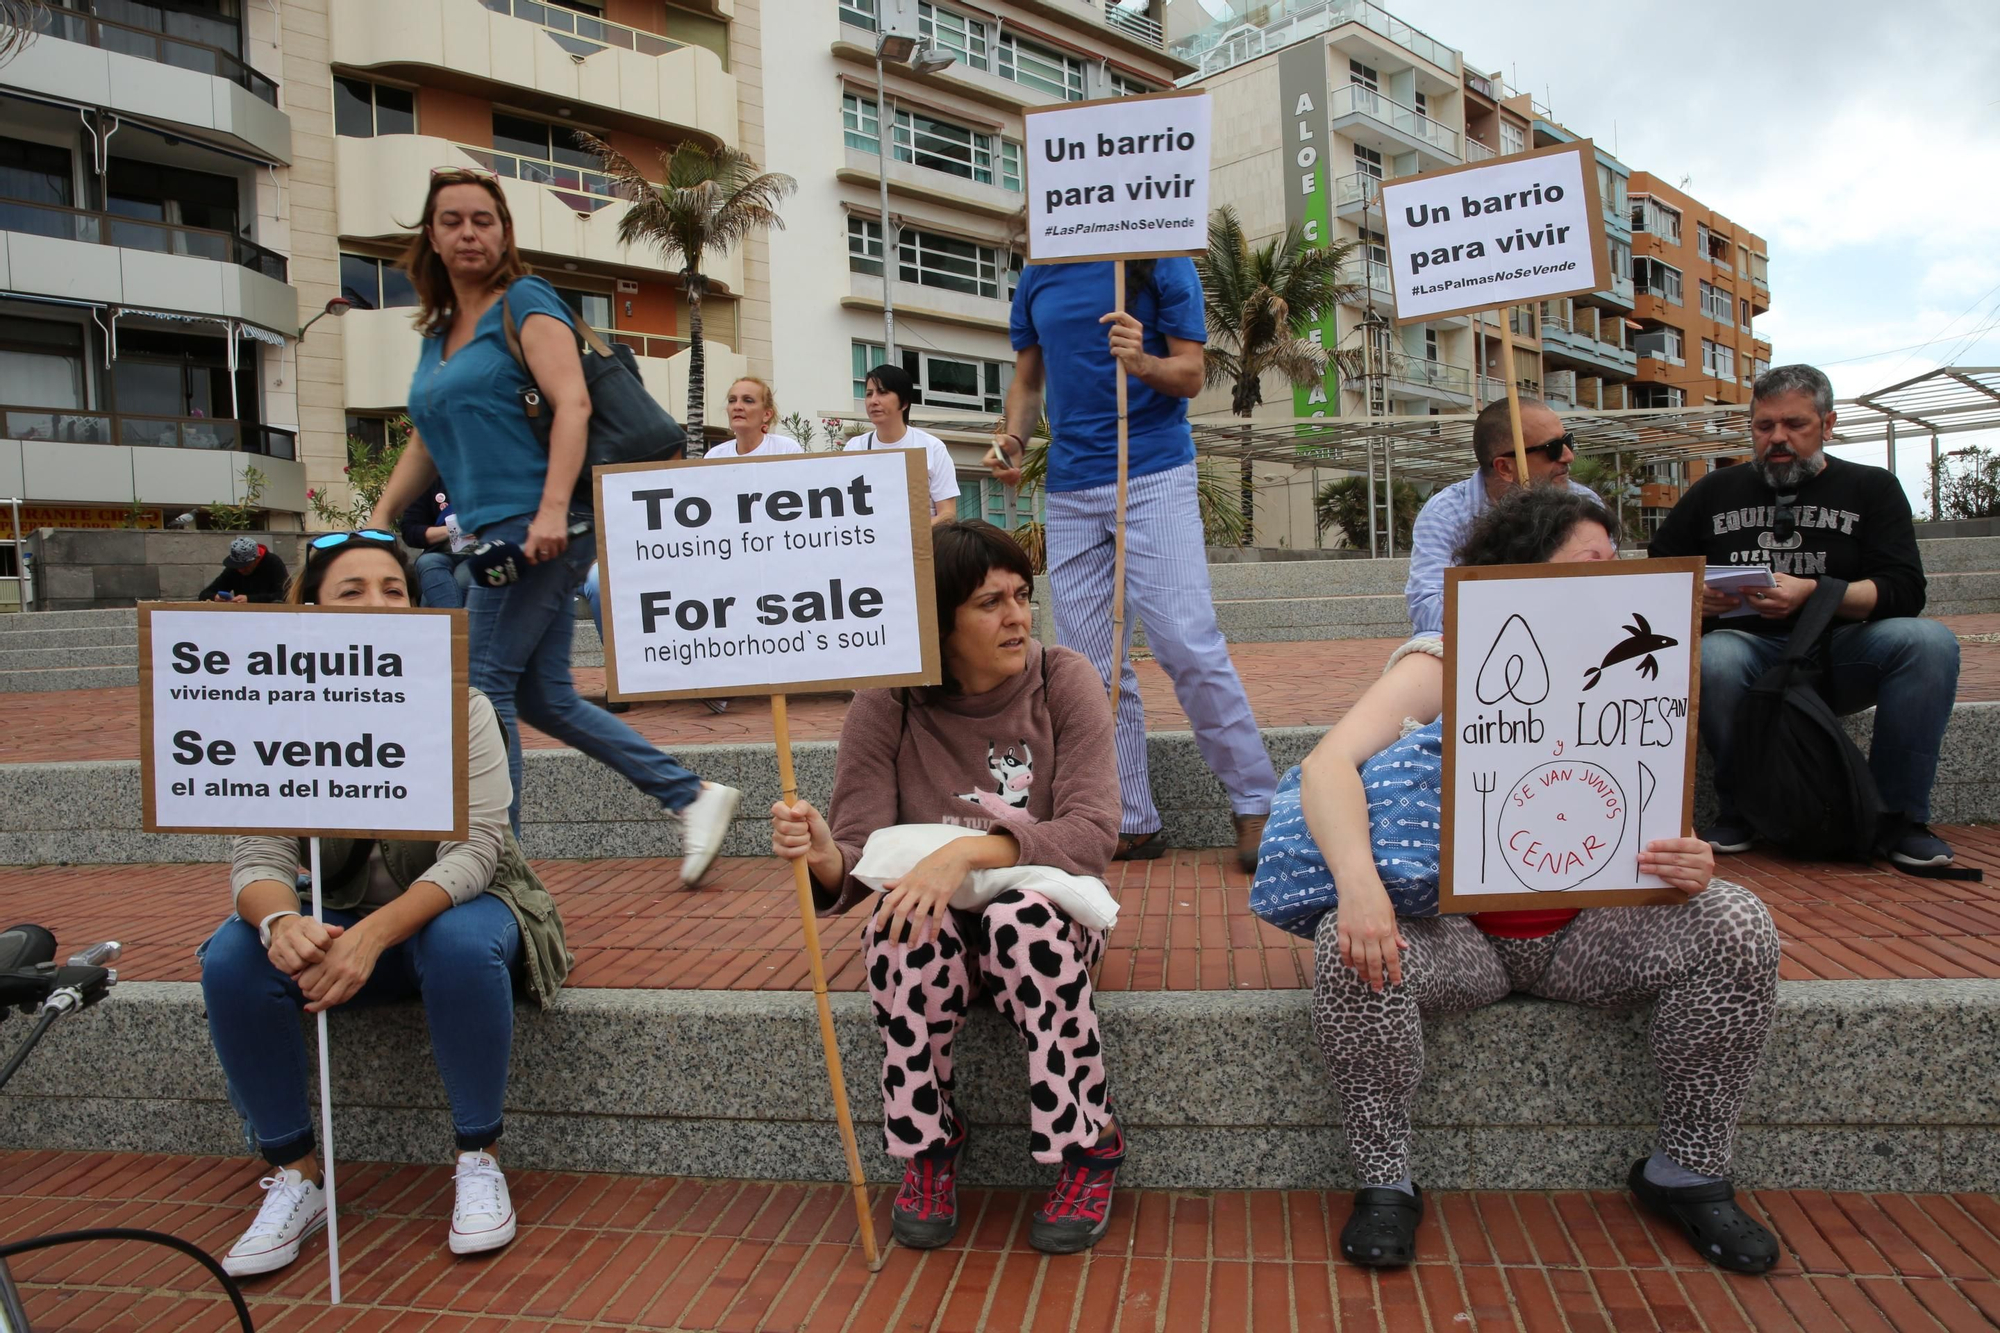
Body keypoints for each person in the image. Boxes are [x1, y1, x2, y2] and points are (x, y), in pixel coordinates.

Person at [1268, 486, 1781, 1275]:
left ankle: (1689, 1168)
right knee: (1350, 940)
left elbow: (1648, 802)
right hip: (1459, 936)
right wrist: (1360, 885)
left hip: (1588, 934)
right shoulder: (1446, 659)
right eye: (1589, 562)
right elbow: (1326, 764)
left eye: (1615, 561)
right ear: (1524, 571)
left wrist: (1689, 859)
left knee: (1737, 921)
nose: (1612, 576)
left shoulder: (1644, 663)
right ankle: (1385, 1181)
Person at [198, 531, 571, 1277]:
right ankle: (297, 1175)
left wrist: (370, 936)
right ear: (309, 612)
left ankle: (478, 1157)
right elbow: (259, 857)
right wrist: (280, 922)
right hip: (342, 919)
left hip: (464, 914)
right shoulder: (275, 712)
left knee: (458, 941)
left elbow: (477, 852)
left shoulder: (462, 708)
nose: (379, 603)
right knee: (233, 954)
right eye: (353, 591)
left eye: (393, 590)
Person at [366, 167, 741, 886]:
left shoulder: (525, 301)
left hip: (539, 525)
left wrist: (548, 511)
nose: (469, 233)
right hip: (490, 533)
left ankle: (495, 864)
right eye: (452, 220)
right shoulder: (439, 334)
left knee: (481, 688)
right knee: (544, 695)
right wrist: (380, 518)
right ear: (432, 237)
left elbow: (572, 403)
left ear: (504, 232)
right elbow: (428, 436)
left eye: (483, 219)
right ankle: (690, 794)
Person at [769, 522, 1126, 1255]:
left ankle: (1089, 1141)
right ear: (937, 622)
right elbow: (856, 857)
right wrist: (822, 853)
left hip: (1048, 924)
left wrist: (964, 853)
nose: (1017, 617)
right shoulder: (889, 701)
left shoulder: (1063, 679)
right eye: (990, 603)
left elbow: (1093, 831)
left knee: (1021, 924)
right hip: (942, 932)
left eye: (1022, 595)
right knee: (898, 932)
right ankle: (928, 1144)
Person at [992, 258, 1274, 870]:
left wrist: (1142, 361)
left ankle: (1256, 800)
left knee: (1185, 641)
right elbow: (1028, 384)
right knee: (1088, 666)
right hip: (1070, 485)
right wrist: (1014, 438)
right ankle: (1130, 819)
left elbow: (1191, 373)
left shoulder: (1159, 258)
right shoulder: (1038, 274)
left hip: (1153, 473)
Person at [1648, 362, 1959, 866]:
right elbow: (1657, 572)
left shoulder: (1872, 488)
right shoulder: (1714, 491)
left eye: (1795, 424)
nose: (1778, 438)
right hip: (1748, 651)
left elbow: (1904, 590)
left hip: (1841, 651)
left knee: (1929, 643)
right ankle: (1741, 811)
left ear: (1827, 424)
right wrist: (1695, 596)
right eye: (1764, 426)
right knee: (1717, 656)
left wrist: (1816, 593)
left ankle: (1900, 820)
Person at [582, 376, 800, 715]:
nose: (737, 406)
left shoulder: (786, 450)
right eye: (732, 400)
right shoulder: (715, 455)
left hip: (767, 556)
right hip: (715, 555)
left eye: (748, 400)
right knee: (599, 579)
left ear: (767, 414)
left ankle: (717, 676)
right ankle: (625, 674)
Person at [1403, 397, 1604, 638]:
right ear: (1505, 468)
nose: (1568, 456)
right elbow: (1427, 607)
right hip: (1482, 641)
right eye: (1553, 448)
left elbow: (1610, 590)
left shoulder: (1584, 503)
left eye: (1567, 441)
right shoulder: (1445, 513)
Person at [845, 364, 958, 524]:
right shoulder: (855, 448)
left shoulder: (933, 448)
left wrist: (907, 532)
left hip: (922, 539)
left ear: (904, 402)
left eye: (882, 392)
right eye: (869, 394)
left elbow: (947, 515)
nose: (873, 401)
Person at [399, 484, 472, 610]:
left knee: (461, 577)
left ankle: (451, 620)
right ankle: (453, 619)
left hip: (482, 552)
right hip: (441, 551)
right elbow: (410, 530)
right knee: (427, 562)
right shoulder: (429, 482)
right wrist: (452, 530)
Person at [200, 536, 288, 604]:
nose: (240, 569)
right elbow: (204, 594)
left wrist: (249, 599)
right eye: (237, 566)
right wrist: (215, 597)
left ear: (257, 559)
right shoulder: (234, 568)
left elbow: (286, 595)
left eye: (245, 566)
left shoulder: (273, 563)